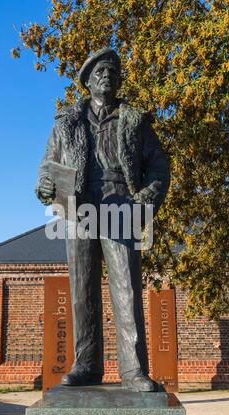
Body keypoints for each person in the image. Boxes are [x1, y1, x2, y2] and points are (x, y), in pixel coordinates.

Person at [36, 48, 170, 391]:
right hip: (77, 205)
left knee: (126, 286)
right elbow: (46, 167)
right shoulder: (66, 123)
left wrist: (145, 199)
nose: (106, 75)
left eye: (112, 70)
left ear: (119, 79)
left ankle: (134, 369)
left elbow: (158, 167)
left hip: (121, 202)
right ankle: (86, 364)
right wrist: (46, 185)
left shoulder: (135, 121)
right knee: (82, 289)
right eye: (99, 72)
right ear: (88, 82)